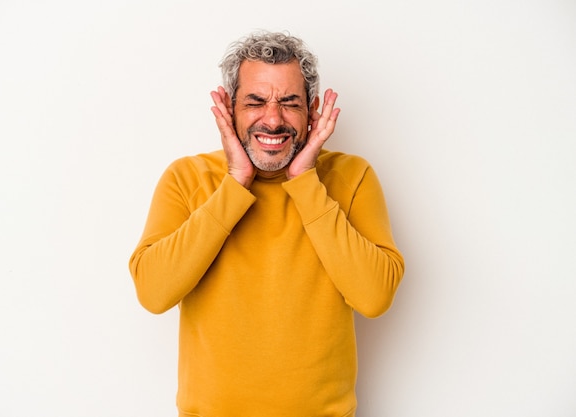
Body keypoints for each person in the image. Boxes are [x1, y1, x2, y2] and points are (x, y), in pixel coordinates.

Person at [129, 30, 405, 417]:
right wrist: (235, 182)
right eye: (256, 101)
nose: (273, 120)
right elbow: (154, 293)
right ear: (229, 108)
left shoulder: (352, 176)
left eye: (290, 103)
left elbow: (374, 298)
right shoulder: (186, 178)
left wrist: (305, 181)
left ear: (311, 112)